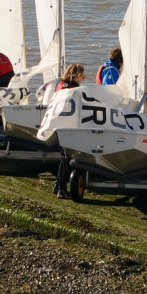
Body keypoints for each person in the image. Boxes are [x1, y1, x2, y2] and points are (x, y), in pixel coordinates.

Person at [52, 63, 86, 199]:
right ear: (74, 76)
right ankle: (61, 188)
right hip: (65, 128)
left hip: (60, 126)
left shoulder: (62, 85)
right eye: (81, 76)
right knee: (66, 158)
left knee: (65, 157)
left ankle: (57, 185)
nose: (82, 79)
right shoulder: (70, 89)